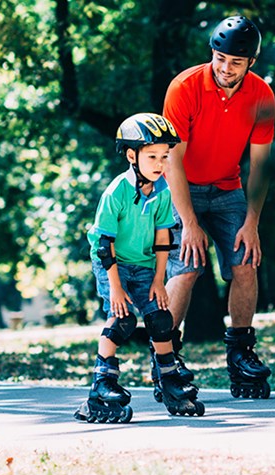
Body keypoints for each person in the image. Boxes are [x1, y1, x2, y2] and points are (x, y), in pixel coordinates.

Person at [161, 15, 275, 399]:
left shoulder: (262, 96)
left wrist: (252, 222)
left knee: (246, 259)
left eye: (236, 62)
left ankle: (241, 353)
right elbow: (172, 160)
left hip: (227, 187)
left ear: (251, 63)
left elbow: (260, 164)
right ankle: (165, 358)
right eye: (220, 57)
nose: (226, 67)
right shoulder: (184, 87)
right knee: (189, 264)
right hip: (181, 188)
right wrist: (189, 223)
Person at [74, 113, 206, 424]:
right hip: (112, 265)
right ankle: (101, 385)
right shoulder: (117, 191)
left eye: (164, 156)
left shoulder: (162, 190)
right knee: (123, 320)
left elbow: (164, 237)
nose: (160, 163)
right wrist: (117, 288)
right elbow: (104, 244)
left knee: (161, 319)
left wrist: (160, 280)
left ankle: (170, 379)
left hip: (145, 264)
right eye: (152, 156)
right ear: (132, 156)